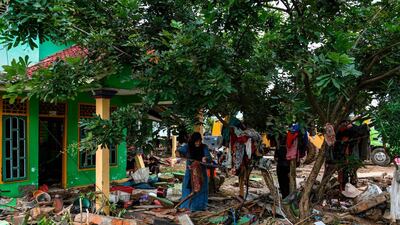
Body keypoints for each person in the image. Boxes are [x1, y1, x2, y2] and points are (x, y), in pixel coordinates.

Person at [177, 132, 211, 211]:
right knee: (187, 189)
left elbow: (208, 157)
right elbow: (178, 151)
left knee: (201, 190)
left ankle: (199, 208)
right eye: (196, 141)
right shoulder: (187, 147)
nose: (198, 143)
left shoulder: (204, 147)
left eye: (199, 141)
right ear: (193, 141)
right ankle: (186, 207)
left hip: (201, 173)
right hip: (190, 173)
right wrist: (179, 154)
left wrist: (205, 158)